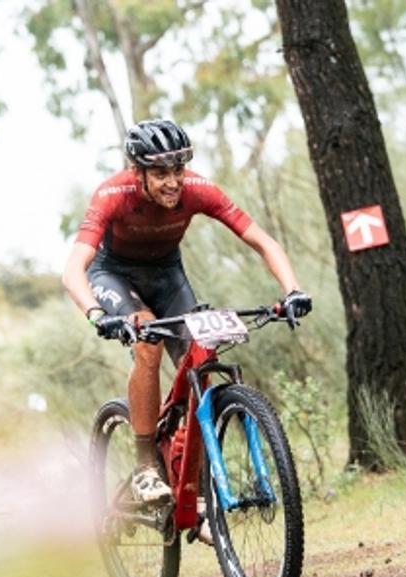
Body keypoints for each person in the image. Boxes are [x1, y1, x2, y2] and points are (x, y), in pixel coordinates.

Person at [62, 118, 311, 506]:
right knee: (148, 341)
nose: (173, 182)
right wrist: (97, 314)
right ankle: (146, 467)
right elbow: (73, 270)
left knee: (202, 352)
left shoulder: (198, 190)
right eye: (160, 173)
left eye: (178, 169)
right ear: (137, 172)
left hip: (167, 276)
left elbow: (261, 240)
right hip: (113, 276)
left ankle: (189, 479)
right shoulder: (113, 194)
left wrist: (292, 289)